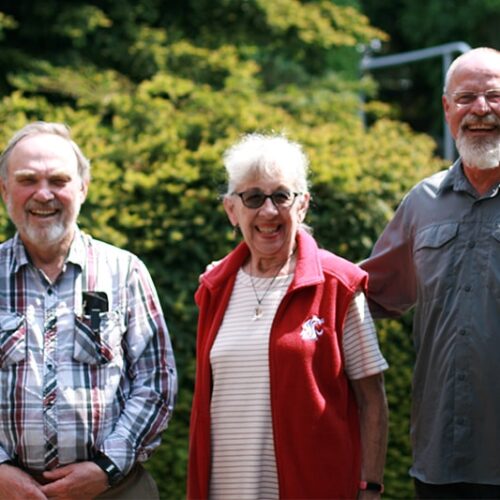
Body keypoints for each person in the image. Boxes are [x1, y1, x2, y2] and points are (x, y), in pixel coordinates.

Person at [187, 133, 388, 499]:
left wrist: (369, 488)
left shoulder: (338, 285)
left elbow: (372, 398)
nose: (268, 211)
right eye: (253, 197)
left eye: (281, 195)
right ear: (232, 210)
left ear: (302, 205)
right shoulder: (215, 288)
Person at [0, 122, 177, 499]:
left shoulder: (125, 271)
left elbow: (156, 383)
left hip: (115, 490)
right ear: (4, 189)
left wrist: (106, 467)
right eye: (27, 179)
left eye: (59, 180)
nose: (43, 194)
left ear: (83, 188)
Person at [360, 47, 500, 499]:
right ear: (446, 109)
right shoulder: (422, 202)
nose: (480, 109)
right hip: (442, 456)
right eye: (466, 98)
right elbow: (365, 290)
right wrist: (278, 269)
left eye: (494, 96)